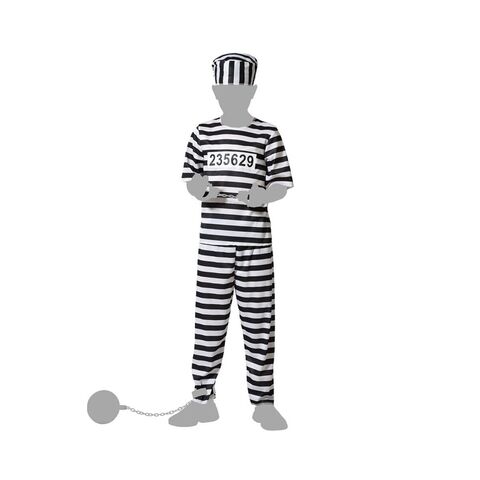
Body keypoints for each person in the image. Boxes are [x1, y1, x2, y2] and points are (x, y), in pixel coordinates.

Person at [170, 53, 293, 430]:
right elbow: (191, 178)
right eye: (225, 92)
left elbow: (281, 183)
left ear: (252, 91)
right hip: (213, 246)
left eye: (239, 92)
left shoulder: (267, 133)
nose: (231, 98)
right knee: (208, 323)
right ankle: (202, 400)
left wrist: (264, 195)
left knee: (260, 324)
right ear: (215, 92)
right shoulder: (202, 133)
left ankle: (264, 403)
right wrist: (199, 190)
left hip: (256, 245)